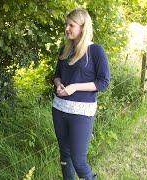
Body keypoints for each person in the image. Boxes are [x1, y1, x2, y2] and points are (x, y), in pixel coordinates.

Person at [52, 8, 110, 180]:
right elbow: (56, 75)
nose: (66, 28)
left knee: (78, 161)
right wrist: (59, 84)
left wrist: (75, 87)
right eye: (66, 24)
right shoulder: (65, 49)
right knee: (65, 156)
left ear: (83, 28)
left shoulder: (96, 51)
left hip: (81, 113)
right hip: (59, 109)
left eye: (71, 25)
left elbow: (103, 82)